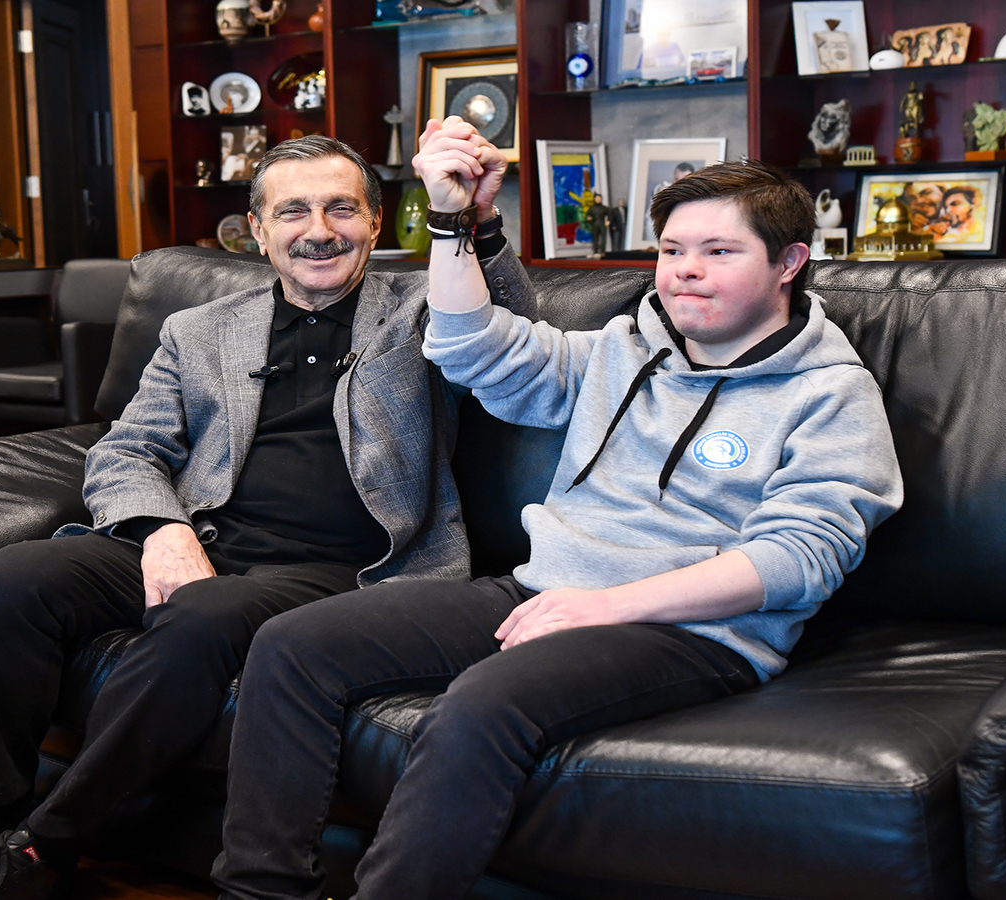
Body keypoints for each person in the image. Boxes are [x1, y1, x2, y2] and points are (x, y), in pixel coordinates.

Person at [210, 120, 903, 900]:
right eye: (673, 250)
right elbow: (473, 347)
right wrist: (452, 219)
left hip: (695, 632)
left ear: (788, 263)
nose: (686, 271)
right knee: (294, 644)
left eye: (719, 251)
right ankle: (261, 891)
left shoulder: (830, 393)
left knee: (479, 707)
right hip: (545, 592)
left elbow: (801, 557)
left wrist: (606, 605)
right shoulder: (622, 349)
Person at [0, 133, 535, 900]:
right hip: (208, 542)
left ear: (375, 222)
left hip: (345, 572)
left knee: (201, 617)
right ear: (257, 230)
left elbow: (512, 334)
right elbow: (126, 449)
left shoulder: (425, 309)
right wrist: (163, 530)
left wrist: (477, 221)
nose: (318, 230)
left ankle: (43, 846)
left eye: (340, 208)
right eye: (292, 211)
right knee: (13, 578)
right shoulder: (200, 330)